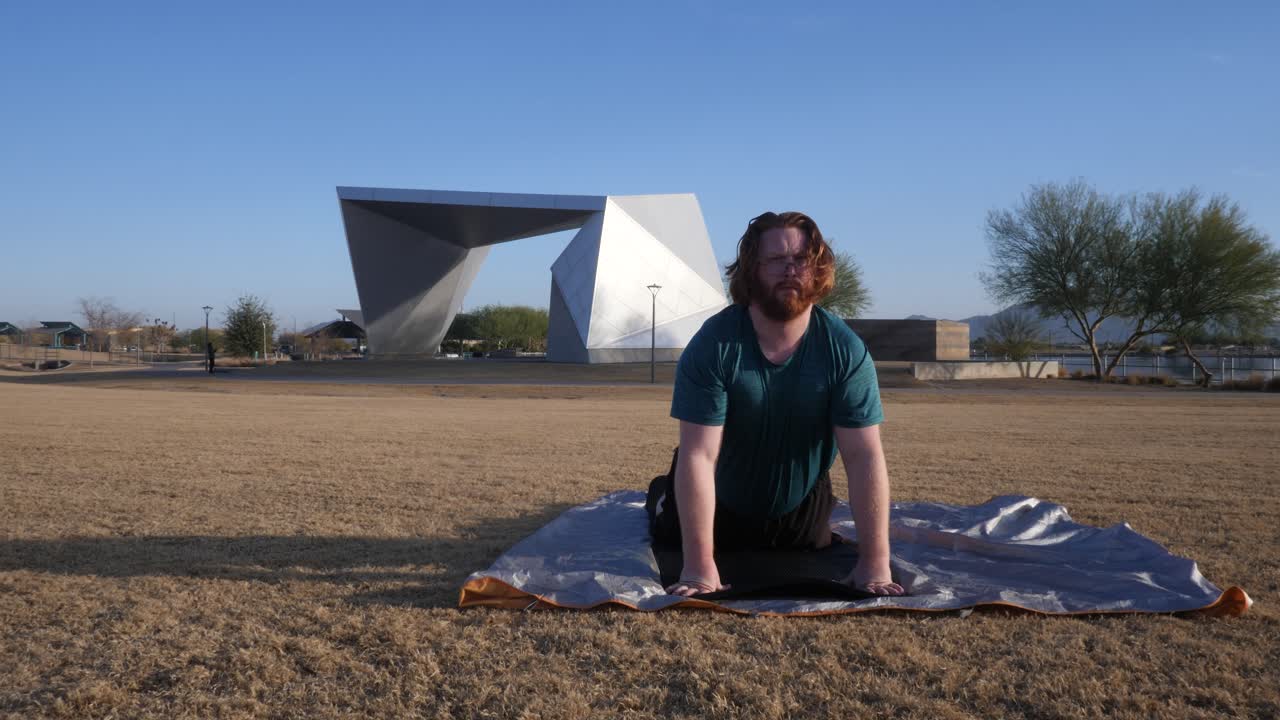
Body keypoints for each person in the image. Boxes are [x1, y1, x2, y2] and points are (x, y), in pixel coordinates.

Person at [646, 211, 904, 598]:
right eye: (776, 259)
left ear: (818, 269)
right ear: (752, 269)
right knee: (668, 521)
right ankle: (662, 493)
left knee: (808, 542)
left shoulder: (845, 350)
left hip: (799, 514)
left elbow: (863, 455)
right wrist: (698, 567)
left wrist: (875, 563)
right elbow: (699, 455)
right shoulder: (714, 345)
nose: (790, 269)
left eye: (801, 259)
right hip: (719, 505)